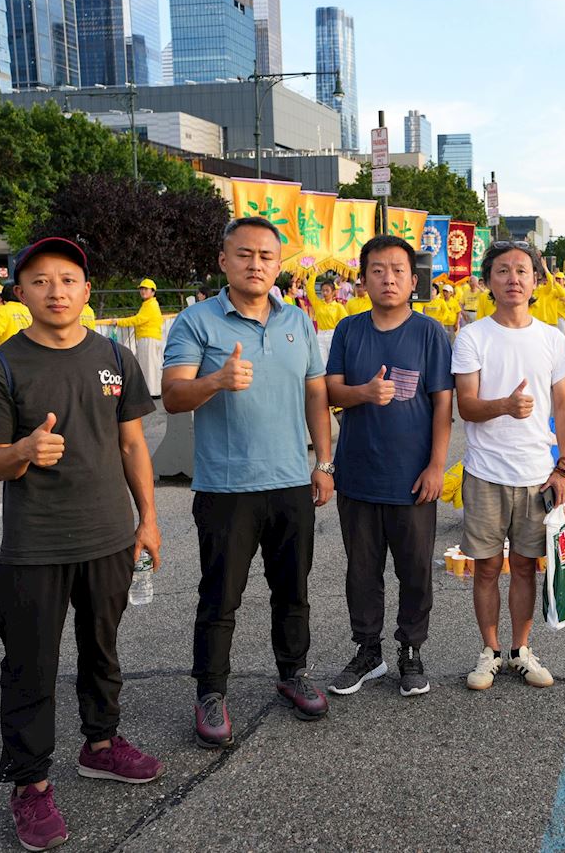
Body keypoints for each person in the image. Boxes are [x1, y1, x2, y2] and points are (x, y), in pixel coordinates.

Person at [0, 237, 163, 852]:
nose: (56, 291)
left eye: (68, 279)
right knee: (30, 665)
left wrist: (148, 520)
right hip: (34, 546)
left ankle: (101, 744)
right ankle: (30, 783)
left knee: (103, 649)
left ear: (86, 290)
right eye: (41, 281)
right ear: (21, 292)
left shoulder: (115, 356)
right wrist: (22, 450)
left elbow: (132, 444)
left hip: (109, 537)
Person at [162, 216, 336, 746]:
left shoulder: (297, 321)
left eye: (266, 256)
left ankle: (293, 672)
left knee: (293, 590)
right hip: (226, 488)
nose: (255, 264)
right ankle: (210, 692)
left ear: (278, 265)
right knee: (220, 597)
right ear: (224, 261)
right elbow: (173, 395)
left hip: (290, 482)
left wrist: (324, 463)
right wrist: (216, 380)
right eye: (244, 254)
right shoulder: (196, 321)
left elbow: (315, 393)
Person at [324, 235, 452, 698]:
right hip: (358, 474)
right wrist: (363, 393)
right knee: (362, 570)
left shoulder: (430, 333)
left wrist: (436, 465)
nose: (389, 279)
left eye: (398, 270)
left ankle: (411, 649)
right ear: (363, 280)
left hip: (412, 478)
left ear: (414, 280)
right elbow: (330, 390)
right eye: (377, 270)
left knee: (415, 570)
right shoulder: (348, 330)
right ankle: (367, 650)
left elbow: (443, 404)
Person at [453, 240, 565, 691]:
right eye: (502, 270)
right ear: (488, 281)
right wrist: (504, 405)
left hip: (536, 475)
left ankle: (521, 650)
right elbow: (466, 406)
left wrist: (563, 467)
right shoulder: (473, 337)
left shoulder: (551, 338)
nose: (513, 279)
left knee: (525, 567)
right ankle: (490, 651)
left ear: (536, 281)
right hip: (486, 473)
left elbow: (564, 406)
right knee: (486, 569)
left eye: (522, 271)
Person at [96, 278, 164, 397]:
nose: (143, 291)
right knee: (150, 365)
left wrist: (119, 322)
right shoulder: (149, 304)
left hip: (149, 338)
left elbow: (138, 320)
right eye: (141, 289)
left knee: (149, 365)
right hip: (149, 337)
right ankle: (153, 391)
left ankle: (153, 392)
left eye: (146, 289)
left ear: (153, 292)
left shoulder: (151, 305)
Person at [305, 274, 347, 362]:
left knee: (333, 361)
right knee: (322, 362)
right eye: (323, 290)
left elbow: (346, 323)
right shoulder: (318, 303)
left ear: (333, 292)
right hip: (320, 335)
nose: (324, 293)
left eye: (327, 290)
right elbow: (309, 289)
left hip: (333, 335)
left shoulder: (338, 307)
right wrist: (314, 274)